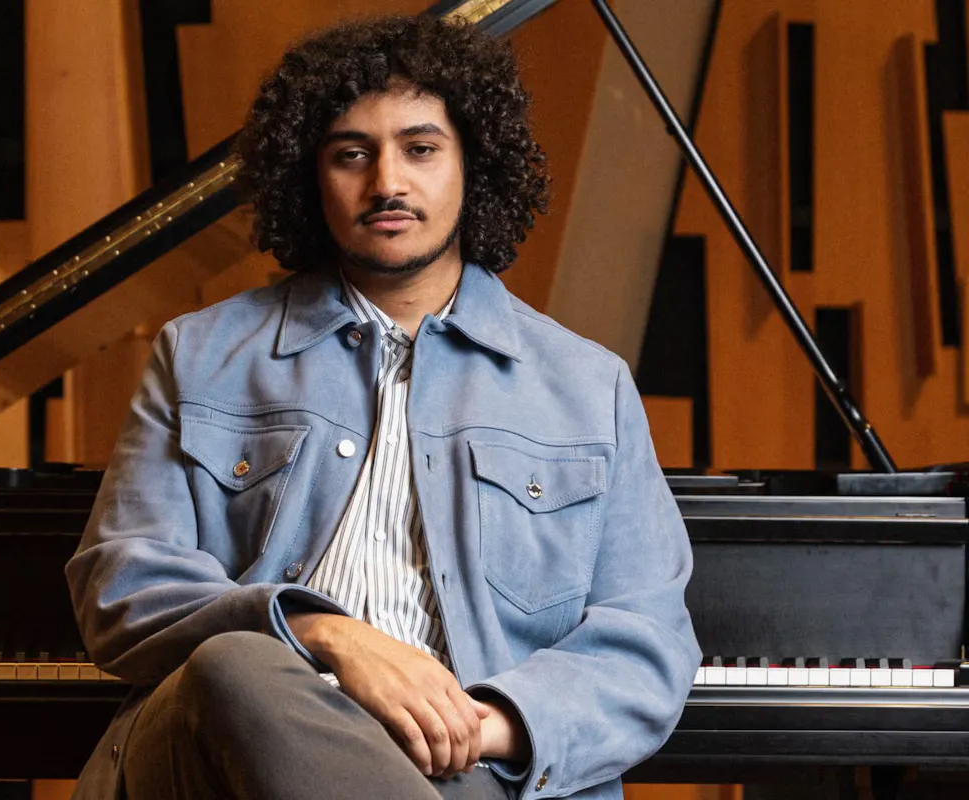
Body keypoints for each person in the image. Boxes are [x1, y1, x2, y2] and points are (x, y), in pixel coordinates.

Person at [66, 15, 700, 800]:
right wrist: (326, 636)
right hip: (230, 748)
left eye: (421, 148)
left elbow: (646, 645)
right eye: (350, 155)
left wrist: (475, 724)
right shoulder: (200, 356)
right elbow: (123, 586)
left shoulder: (586, 386)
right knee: (236, 663)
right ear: (311, 177)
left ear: (475, 164)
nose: (387, 183)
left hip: (470, 764)